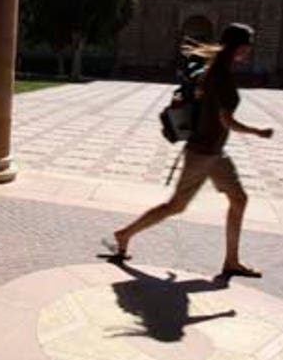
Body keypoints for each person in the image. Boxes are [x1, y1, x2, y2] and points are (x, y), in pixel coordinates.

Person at [106, 23, 274, 277]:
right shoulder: (222, 77)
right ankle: (124, 233)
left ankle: (231, 261)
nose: (249, 51)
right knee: (176, 206)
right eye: (247, 46)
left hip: (214, 153)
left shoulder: (211, 71)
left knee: (239, 199)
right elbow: (226, 121)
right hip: (203, 153)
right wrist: (258, 132)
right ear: (239, 47)